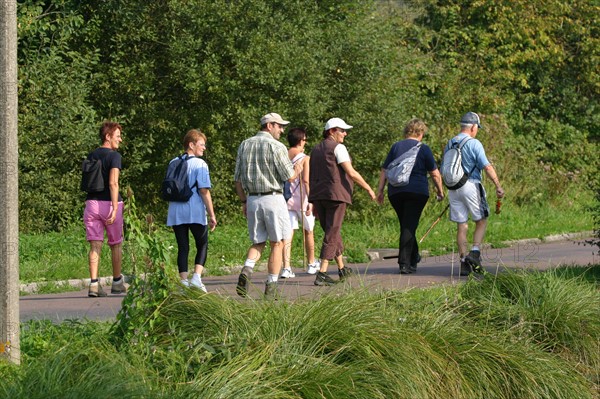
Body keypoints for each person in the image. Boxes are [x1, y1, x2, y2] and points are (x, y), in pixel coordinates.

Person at [234, 112, 303, 298]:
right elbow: (288, 176)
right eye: (280, 126)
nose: (282, 130)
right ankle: (271, 285)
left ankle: (247, 268)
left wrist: (243, 201)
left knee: (258, 241)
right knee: (277, 242)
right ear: (270, 125)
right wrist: (297, 169)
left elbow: (238, 180)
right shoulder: (277, 146)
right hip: (273, 198)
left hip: (252, 199)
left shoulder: (244, 144)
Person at [309, 117, 376, 286]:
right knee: (332, 233)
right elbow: (351, 172)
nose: (345, 134)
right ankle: (322, 273)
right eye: (342, 130)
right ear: (332, 131)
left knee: (332, 232)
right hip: (336, 195)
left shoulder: (315, 149)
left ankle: (342, 268)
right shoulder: (339, 148)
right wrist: (368, 188)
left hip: (318, 196)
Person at [377, 118, 445, 274]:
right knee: (408, 226)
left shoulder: (396, 147)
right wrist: (440, 192)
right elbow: (434, 173)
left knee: (407, 224)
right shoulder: (424, 148)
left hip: (396, 192)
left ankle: (413, 257)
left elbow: (384, 170)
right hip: (417, 192)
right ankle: (404, 263)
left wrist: (379, 191)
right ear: (420, 132)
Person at [444, 112, 505, 275]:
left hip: (454, 188)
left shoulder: (450, 142)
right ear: (472, 127)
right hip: (471, 185)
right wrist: (498, 186)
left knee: (462, 225)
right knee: (481, 219)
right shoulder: (474, 143)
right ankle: (475, 253)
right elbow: (487, 166)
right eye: (477, 128)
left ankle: (464, 262)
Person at [167, 129, 217, 292]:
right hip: (194, 210)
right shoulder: (200, 164)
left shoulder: (173, 162)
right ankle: (196, 277)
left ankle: (183, 282)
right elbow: (204, 191)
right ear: (191, 144)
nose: (204, 148)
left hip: (175, 210)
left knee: (183, 246)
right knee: (202, 243)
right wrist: (212, 214)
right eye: (201, 145)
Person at [84, 121, 127, 297]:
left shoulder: (91, 155)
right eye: (117, 136)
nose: (120, 139)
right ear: (108, 137)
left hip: (91, 204)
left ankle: (94, 284)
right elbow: (113, 182)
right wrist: (115, 209)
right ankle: (117, 282)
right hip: (110, 203)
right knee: (115, 244)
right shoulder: (114, 156)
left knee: (95, 245)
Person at [281, 127, 319, 278]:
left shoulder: (283, 155)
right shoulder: (305, 158)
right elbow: (306, 181)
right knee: (308, 231)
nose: (305, 142)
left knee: (287, 234)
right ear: (300, 141)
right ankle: (311, 264)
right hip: (302, 200)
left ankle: (286, 267)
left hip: (286, 200)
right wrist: (311, 200)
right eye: (304, 139)